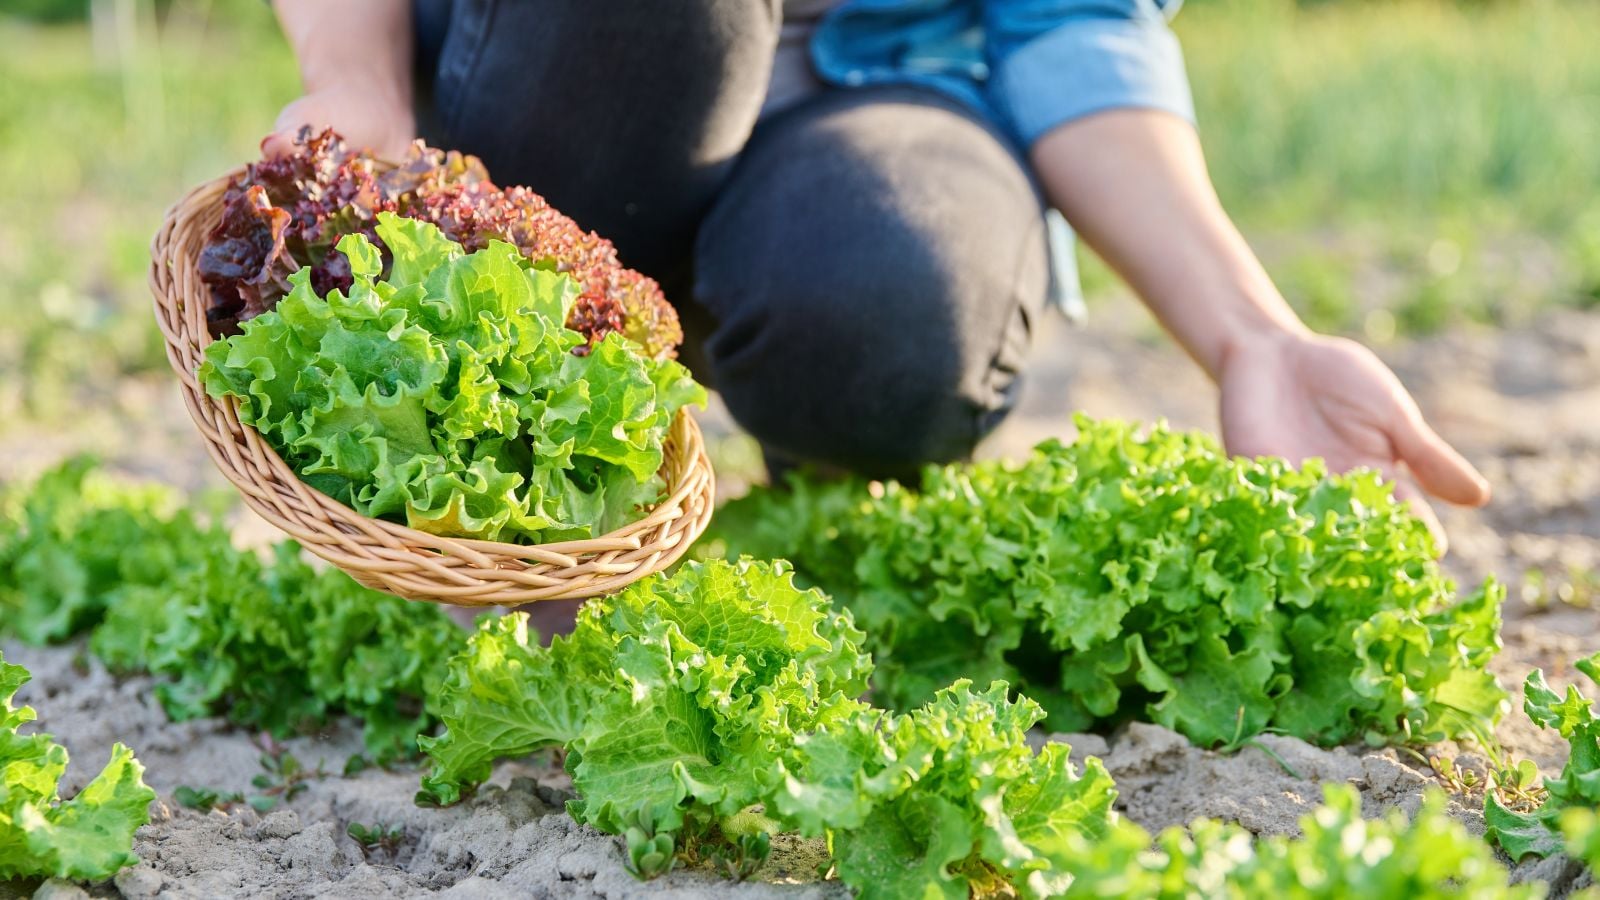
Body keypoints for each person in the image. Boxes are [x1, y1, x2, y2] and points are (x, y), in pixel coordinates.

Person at [264, 0, 1491, 546]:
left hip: (880, 96)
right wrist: (359, 83)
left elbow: (1067, 25)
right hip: (574, 83)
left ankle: (813, 463)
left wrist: (1253, 338)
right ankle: (531, 488)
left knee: (898, 305)